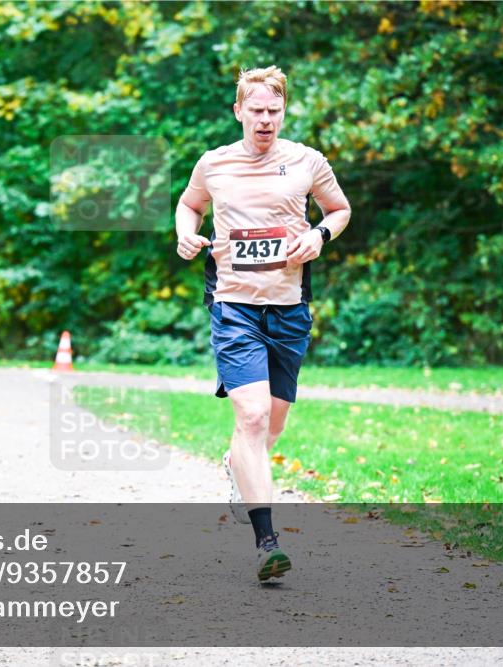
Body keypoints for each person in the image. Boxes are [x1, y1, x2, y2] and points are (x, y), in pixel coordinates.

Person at [176, 65, 351, 582]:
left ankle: (239, 466)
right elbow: (189, 205)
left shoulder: (307, 161)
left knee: (271, 424)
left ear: (283, 112)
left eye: (274, 111)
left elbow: (339, 210)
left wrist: (319, 235)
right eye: (256, 110)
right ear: (239, 112)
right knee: (250, 417)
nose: (266, 119)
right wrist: (186, 235)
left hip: (290, 308)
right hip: (234, 307)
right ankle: (267, 543)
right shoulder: (214, 164)